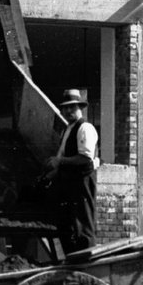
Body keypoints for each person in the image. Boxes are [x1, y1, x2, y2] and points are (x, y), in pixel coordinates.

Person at [48, 88, 101, 256]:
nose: (68, 111)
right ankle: (73, 260)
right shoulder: (67, 130)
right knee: (69, 226)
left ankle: (87, 261)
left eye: (72, 107)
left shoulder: (85, 128)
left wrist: (60, 162)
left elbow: (85, 158)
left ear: (80, 108)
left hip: (81, 181)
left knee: (83, 225)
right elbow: (63, 156)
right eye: (65, 108)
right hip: (69, 183)